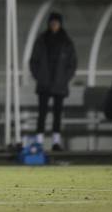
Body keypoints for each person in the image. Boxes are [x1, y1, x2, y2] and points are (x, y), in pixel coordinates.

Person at [29, 12, 77, 151]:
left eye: (56, 23)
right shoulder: (42, 41)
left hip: (59, 85)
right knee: (42, 113)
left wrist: (63, 78)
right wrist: (40, 76)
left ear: (60, 24)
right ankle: (39, 142)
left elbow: (72, 64)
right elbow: (34, 62)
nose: (53, 26)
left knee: (57, 114)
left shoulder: (67, 43)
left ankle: (56, 142)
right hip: (45, 84)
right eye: (52, 23)